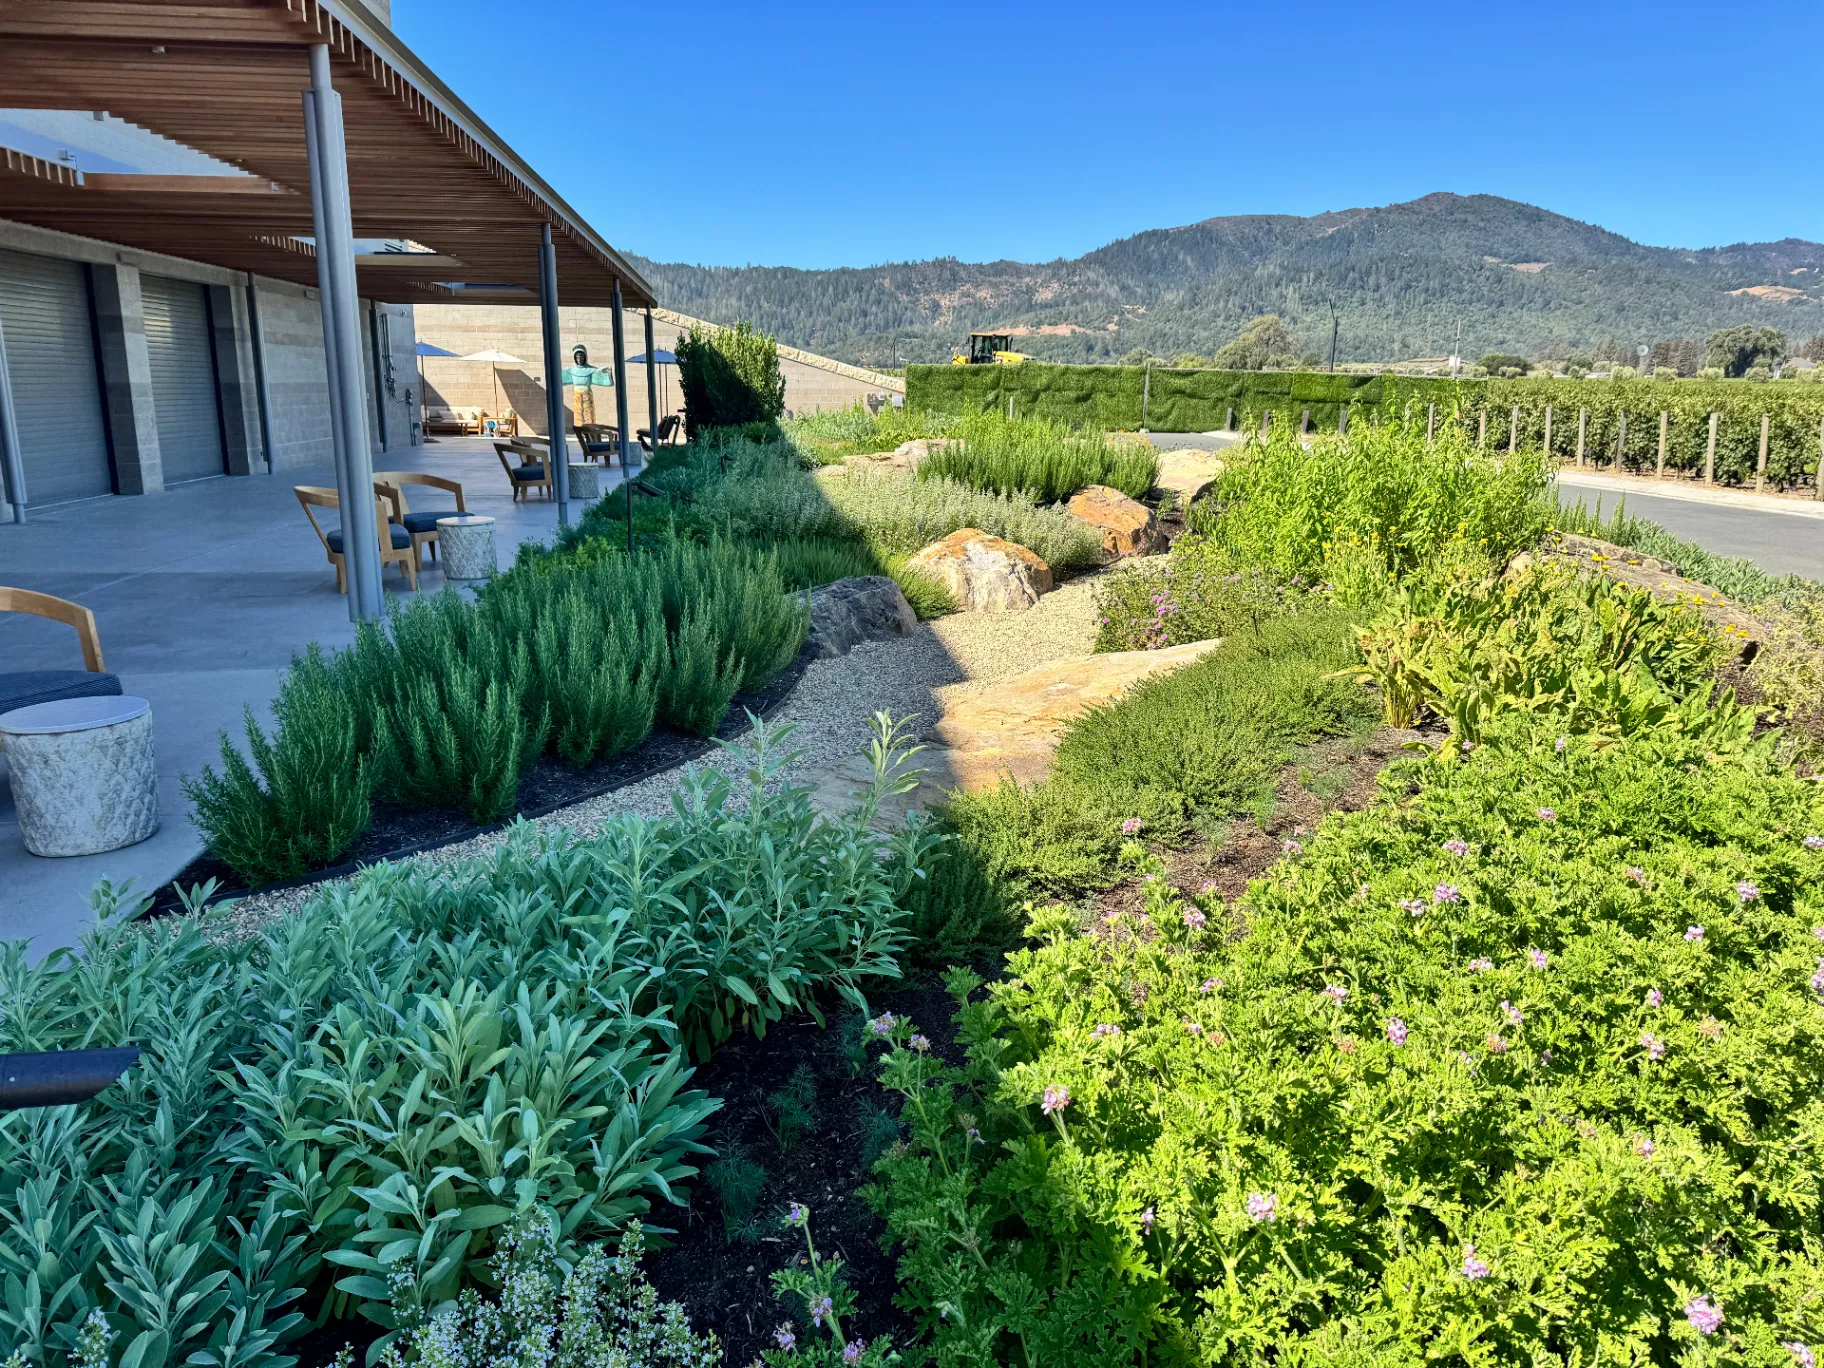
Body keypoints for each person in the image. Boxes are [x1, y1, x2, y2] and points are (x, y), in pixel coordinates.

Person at [560, 344, 612, 426]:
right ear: (575, 358)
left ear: (585, 358)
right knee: (578, 415)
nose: (579, 359)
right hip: (577, 395)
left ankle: (590, 431)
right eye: (577, 357)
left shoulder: (590, 370)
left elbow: (599, 374)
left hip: (587, 394)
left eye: (581, 357)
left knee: (588, 414)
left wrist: (606, 372)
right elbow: (560, 377)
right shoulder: (571, 370)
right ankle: (579, 430)